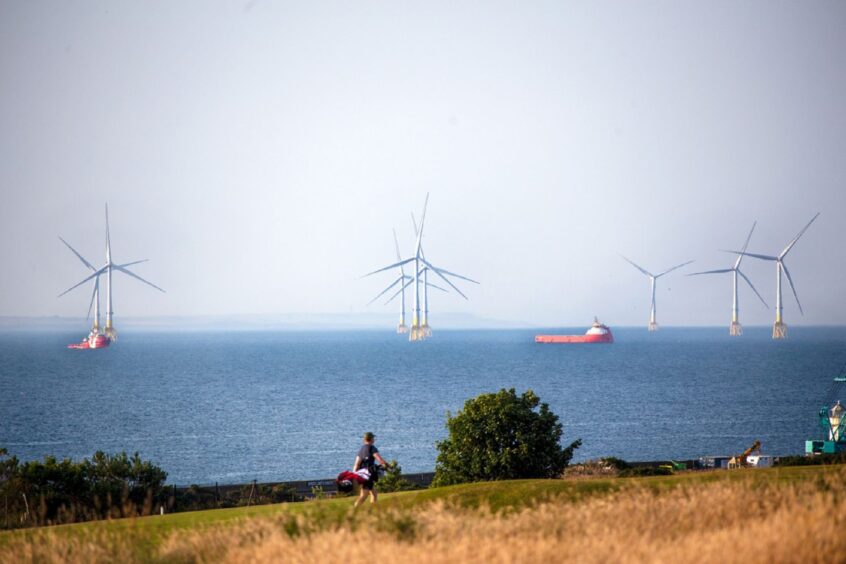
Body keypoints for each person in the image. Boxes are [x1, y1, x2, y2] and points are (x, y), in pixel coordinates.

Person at [353, 431, 387, 507]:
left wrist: (354, 475)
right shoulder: (372, 448)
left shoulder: (362, 449)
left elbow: (357, 464)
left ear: (364, 439)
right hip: (368, 475)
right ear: (371, 439)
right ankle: (354, 511)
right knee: (364, 495)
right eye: (373, 438)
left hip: (362, 474)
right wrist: (387, 465)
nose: (374, 439)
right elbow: (379, 459)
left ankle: (373, 510)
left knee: (374, 494)